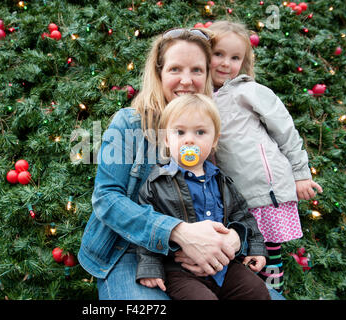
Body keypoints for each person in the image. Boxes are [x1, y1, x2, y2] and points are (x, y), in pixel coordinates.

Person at [78, 28, 244, 300]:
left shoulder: (211, 129)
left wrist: (234, 238)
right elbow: (106, 198)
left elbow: (234, 202)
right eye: (175, 69)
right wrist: (179, 232)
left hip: (198, 257)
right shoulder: (129, 124)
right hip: (129, 251)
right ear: (159, 74)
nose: (187, 80)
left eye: (197, 70)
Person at [207, 20, 323, 294]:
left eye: (235, 58)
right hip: (234, 195)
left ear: (244, 63)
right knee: (244, 255)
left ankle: (275, 294)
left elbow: (285, 130)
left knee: (269, 254)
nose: (226, 63)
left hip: (264, 189)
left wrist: (301, 173)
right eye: (219, 54)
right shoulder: (202, 98)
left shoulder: (249, 91)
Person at [135, 93, 271, 300]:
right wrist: (150, 266)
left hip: (224, 268)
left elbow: (242, 216)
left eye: (200, 132)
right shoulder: (157, 183)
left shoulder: (222, 181)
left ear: (214, 139)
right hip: (180, 270)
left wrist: (256, 247)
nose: (189, 139)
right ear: (166, 139)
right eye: (179, 132)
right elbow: (146, 226)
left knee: (256, 291)